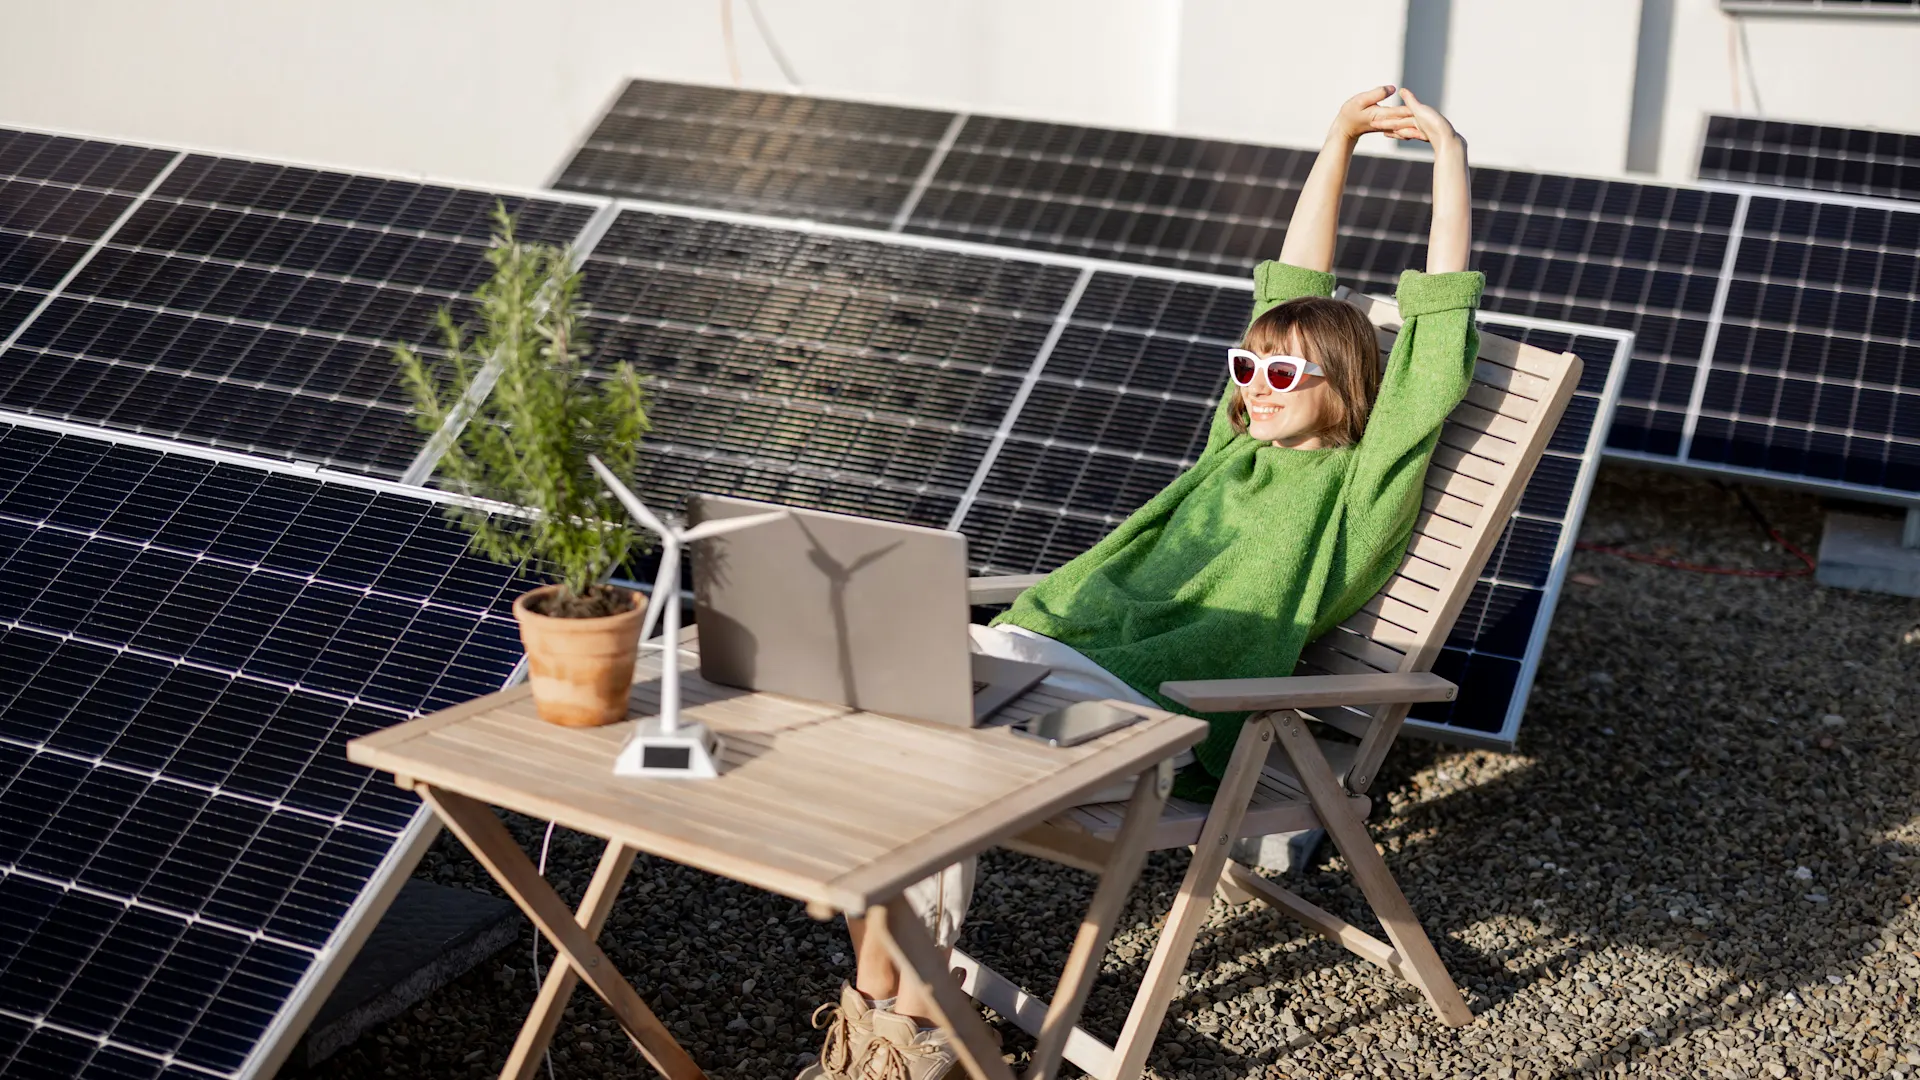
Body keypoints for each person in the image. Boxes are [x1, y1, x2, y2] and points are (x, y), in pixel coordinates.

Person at [799, 85, 1483, 1080]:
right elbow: (1289, 282)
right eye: (1247, 367)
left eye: (1285, 376)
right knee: (880, 718)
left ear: (1347, 392)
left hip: (1134, 711)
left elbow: (1438, 337)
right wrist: (1334, 139)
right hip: (1032, 656)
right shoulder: (1233, 443)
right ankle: (890, 1020)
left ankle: (905, 1032)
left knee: (936, 769)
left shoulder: (1358, 487)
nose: (1255, 386)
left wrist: (1448, 155)